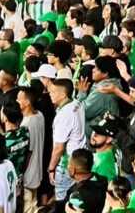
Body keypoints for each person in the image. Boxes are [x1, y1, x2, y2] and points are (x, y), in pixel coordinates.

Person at [47, 78, 86, 209]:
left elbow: (58, 148)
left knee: (62, 203)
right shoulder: (76, 103)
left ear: (63, 94)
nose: (49, 93)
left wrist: (51, 168)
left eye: (53, 92)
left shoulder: (64, 115)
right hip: (79, 157)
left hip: (66, 164)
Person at [65, 149, 107, 213]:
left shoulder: (77, 196)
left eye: (68, 164)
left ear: (73, 170)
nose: (67, 166)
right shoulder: (102, 179)